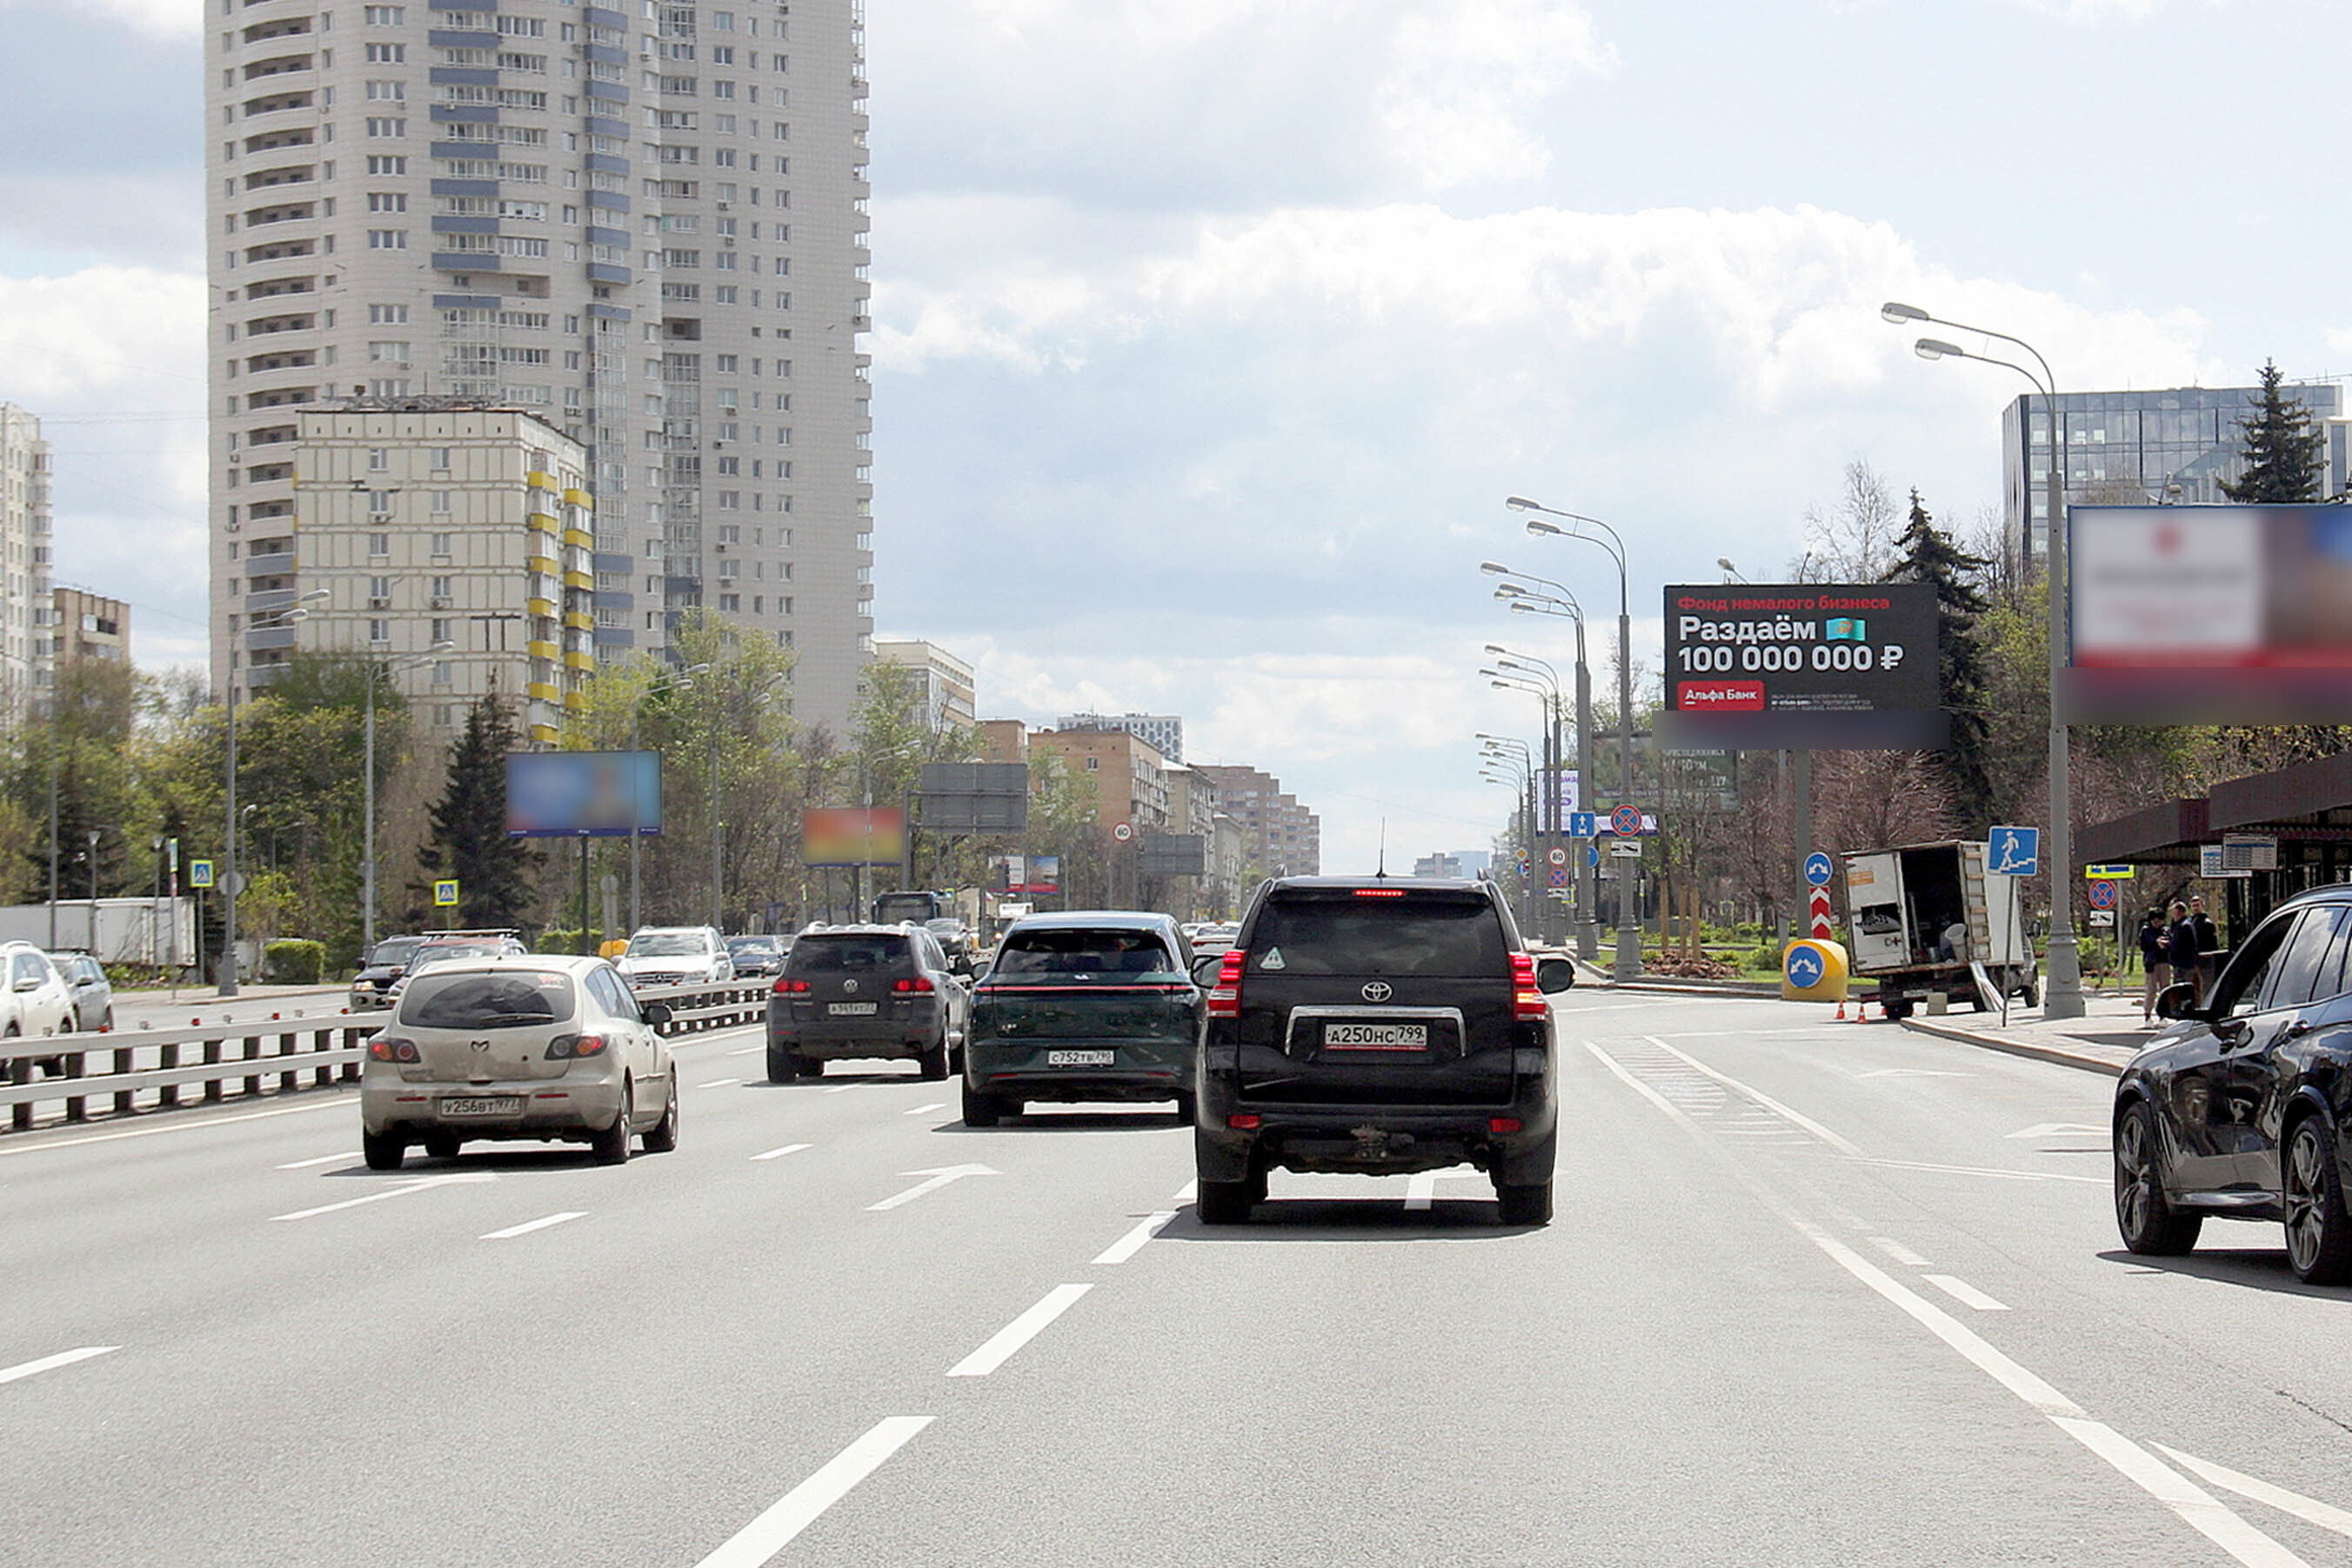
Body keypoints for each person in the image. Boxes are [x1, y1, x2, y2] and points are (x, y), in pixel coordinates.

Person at [2164, 900, 2200, 1007]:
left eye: (2174, 912)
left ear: (2180, 912)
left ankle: (2185, 1009)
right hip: (2183, 963)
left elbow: (2177, 945)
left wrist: (2166, 945)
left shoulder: (2184, 926)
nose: (2173, 915)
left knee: (2182, 989)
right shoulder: (2182, 925)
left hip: (2183, 964)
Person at [2139, 908, 2172, 1023]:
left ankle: (2164, 1014)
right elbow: (2143, 946)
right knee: (2151, 989)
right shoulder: (2146, 931)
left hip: (2164, 962)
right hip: (2151, 963)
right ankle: (2147, 1014)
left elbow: (2171, 943)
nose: (2157, 923)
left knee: (2165, 989)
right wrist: (2155, 943)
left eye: (2159, 920)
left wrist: (2166, 944)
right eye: (2154, 921)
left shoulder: (2166, 930)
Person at [2188, 895, 2222, 1003]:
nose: (2195, 908)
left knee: (2207, 985)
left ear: (2203, 906)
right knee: (2193, 986)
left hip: (2206, 959)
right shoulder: (2189, 923)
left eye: (2197, 905)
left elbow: (2213, 944)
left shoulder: (2208, 923)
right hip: (2192, 960)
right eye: (2193, 906)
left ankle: (2207, 1004)